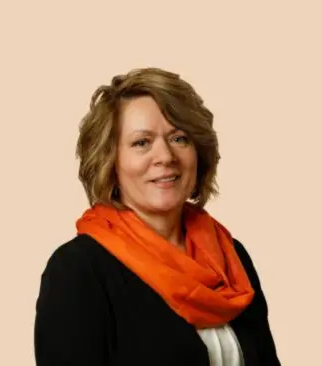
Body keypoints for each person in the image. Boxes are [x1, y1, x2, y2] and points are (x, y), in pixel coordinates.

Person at [34, 67, 281, 366]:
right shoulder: (79, 271)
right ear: (110, 161)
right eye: (142, 142)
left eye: (179, 138)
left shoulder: (231, 258)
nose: (165, 156)